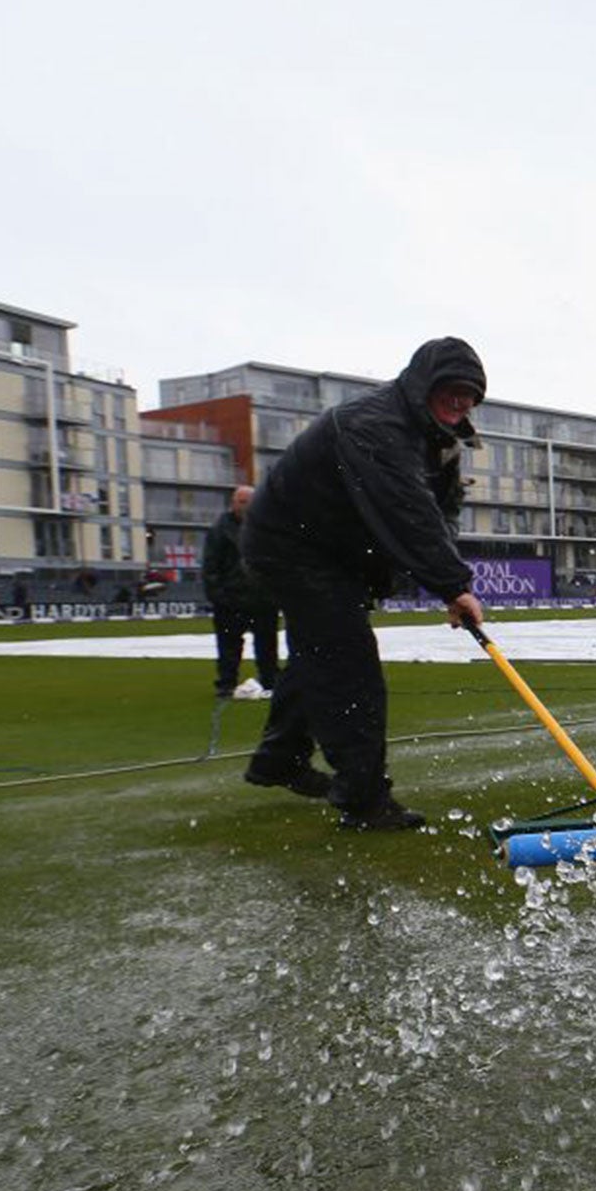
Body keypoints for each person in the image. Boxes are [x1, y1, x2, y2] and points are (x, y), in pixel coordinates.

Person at [239, 337, 487, 831]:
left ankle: (279, 760)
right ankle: (364, 798)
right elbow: (405, 509)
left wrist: (446, 578)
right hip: (291, 544)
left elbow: (441, 515)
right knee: (346, 660)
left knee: (321, 652)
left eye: (471, 395)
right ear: (423, 386)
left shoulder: (440, 439)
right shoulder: (375, 425)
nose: (461, 402)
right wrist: (451, 584)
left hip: (336, 553)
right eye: (452, 390)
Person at [202, 484, 280, 699]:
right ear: (233, 503)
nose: (246, 506)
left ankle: (270, 681)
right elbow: (211, 565)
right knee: (229, 647)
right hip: (231, 598)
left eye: (249, 502)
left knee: (267, 646)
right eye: (242, 501)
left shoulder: (267, 527)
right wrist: (218, 596)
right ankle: (226, 684)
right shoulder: (219, 530)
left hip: (262, 598)